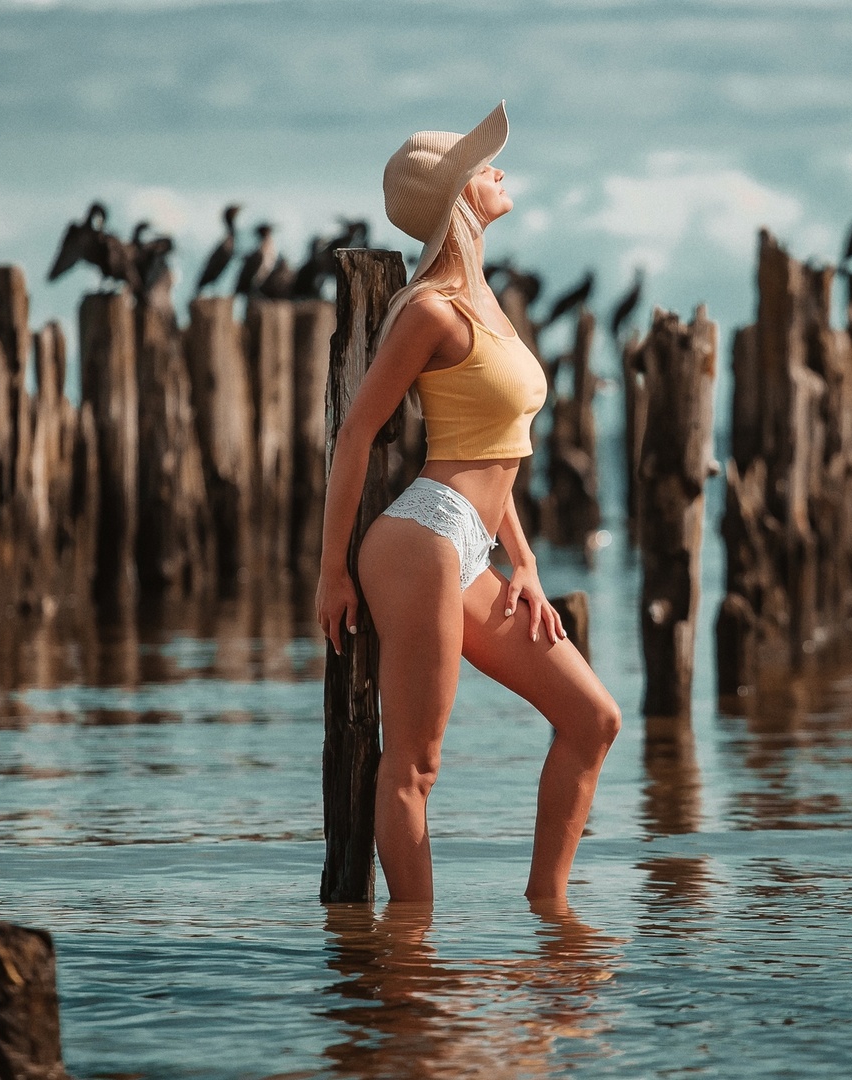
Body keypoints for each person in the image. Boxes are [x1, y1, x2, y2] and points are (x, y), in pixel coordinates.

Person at [315, 102, 622, 902]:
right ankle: (413, 955)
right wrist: (331, 574)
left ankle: (550, 913)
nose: (501, 173)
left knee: (593, 720)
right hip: (419, 539)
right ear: (458, 197)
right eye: (486, 168)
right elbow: (356, 435)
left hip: (473, 546)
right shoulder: (428, 310)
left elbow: (498, 452)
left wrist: (523, 563)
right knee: (416, 762)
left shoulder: (488, 303)